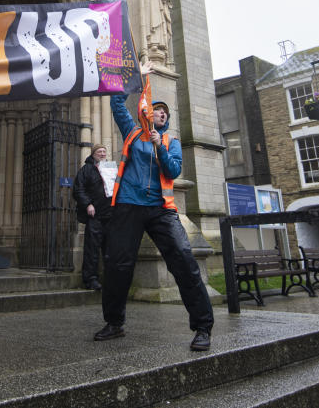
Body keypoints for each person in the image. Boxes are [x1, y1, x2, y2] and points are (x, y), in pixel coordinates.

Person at [95, 63, 214, 351]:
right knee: (117, 264)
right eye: (156, 109)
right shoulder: (133, 133)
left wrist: (160, 145)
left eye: (165, 112)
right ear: (148, 111)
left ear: (167, 120)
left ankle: (202, 327)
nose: (160, 112)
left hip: (161, 209)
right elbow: (115, 102)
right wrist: (136, 75)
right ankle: (114, 323)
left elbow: (172, 171)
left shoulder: (171, 142)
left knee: (184, 261)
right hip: (128, 205)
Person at [73, 144, 112, 290]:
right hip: (95, 216)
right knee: (92, 249)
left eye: (104, 151)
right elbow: (78, 189)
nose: (102, 154)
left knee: (110, 249)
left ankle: (110, 278)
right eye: (99, 151)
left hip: (110, 215)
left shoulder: (110, 169)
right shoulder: (86, 169)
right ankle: (91, 279)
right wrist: (88, 204)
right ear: (93, 154)